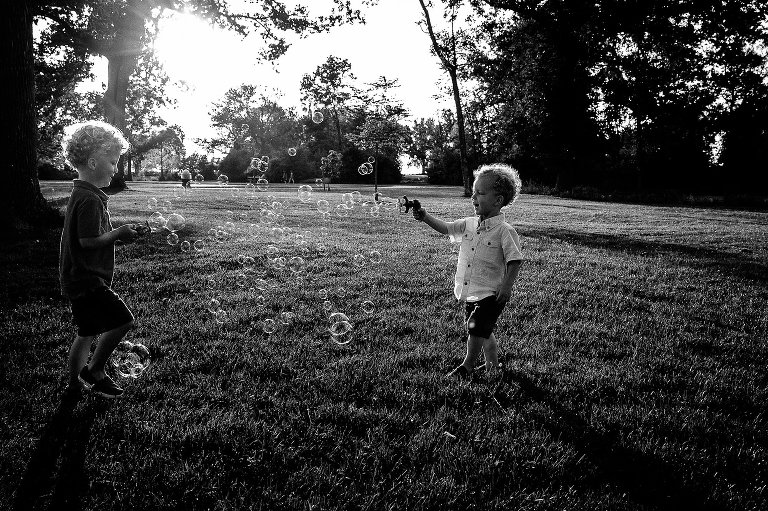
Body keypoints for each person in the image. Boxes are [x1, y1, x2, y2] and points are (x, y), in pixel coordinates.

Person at [413, 163, 524, 380]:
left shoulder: (504, 231)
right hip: (471, 290)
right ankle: (493, 366)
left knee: (476, 328)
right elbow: (446, 228)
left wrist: (507, 287)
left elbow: (515, 260)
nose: (474, 197)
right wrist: (425, 216)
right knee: (483, 330)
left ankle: (467, 366)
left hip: (491, 293)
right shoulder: (468, 224)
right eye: (473, 192)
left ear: (498, 200)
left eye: (480, 193)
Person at [59, 120, 142, 398]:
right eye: (112, 161)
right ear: (93, 162)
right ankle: (94, 370)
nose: (115, 169)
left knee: (87, 332)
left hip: (77, 278)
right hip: (88, 279)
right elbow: (87, 241)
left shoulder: (82, 193)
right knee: (123, 321)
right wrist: (119, 233)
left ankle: (74, 384)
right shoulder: (90, 199)